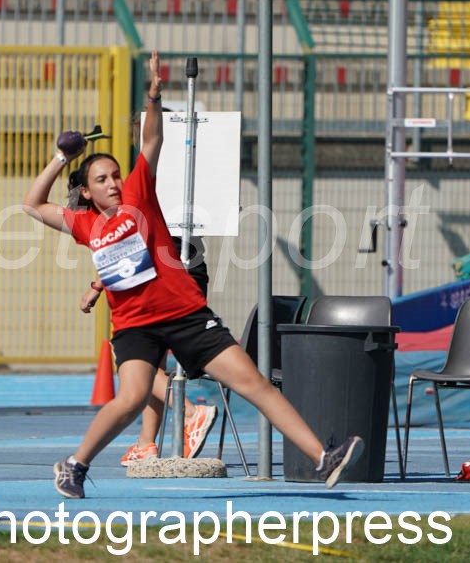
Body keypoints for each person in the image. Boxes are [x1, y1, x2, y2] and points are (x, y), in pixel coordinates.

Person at [24, 50, 363, 499]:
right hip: (135, 326)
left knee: (253, 383)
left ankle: (323, 457)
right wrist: (61, 157)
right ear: (86, 191)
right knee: (132, 399)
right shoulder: (84, 224)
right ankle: (74, 465)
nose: (114, 182)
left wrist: (153, 97)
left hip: (185, 314)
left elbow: (151, 141)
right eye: (102, 179)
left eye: (116, 175)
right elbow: (32, 205)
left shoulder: (138, 195)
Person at [77, 233, 215, 466]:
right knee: (151, 361)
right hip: (190, 268)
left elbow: (130, 241)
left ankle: (191, 413)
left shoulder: (143, 213)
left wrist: (97, 286)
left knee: (139, 362)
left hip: (157, 275)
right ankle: (145, 444)